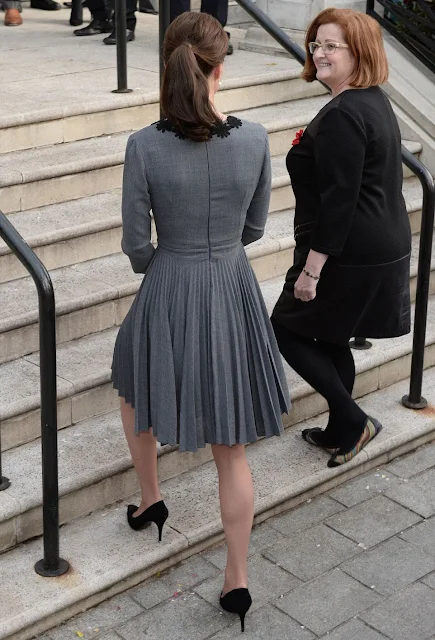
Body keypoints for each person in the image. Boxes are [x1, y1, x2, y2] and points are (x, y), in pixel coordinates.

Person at [111, 11, 289, 632]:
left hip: (170, 277)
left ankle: (150, 499)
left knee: (133, 373)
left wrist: (170, 263)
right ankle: (236, 581)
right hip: (231, 281)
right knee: (231, 446)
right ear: (219, 68)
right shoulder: (256, 137)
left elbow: (137, 245)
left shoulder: (144, 146)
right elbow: (257, 227)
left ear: (170, 66)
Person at [271, 7, 411, 468]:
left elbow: (339, 202)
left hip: (348, 251)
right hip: (378, 242)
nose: (320, 52)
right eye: (316, 44)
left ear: (359, 53)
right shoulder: (371, 100)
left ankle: (354, 421)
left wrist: (312, 271)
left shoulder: (345, 114)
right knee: (330, 337)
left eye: (332, 45)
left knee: (286, 330)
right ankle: (338, 428)